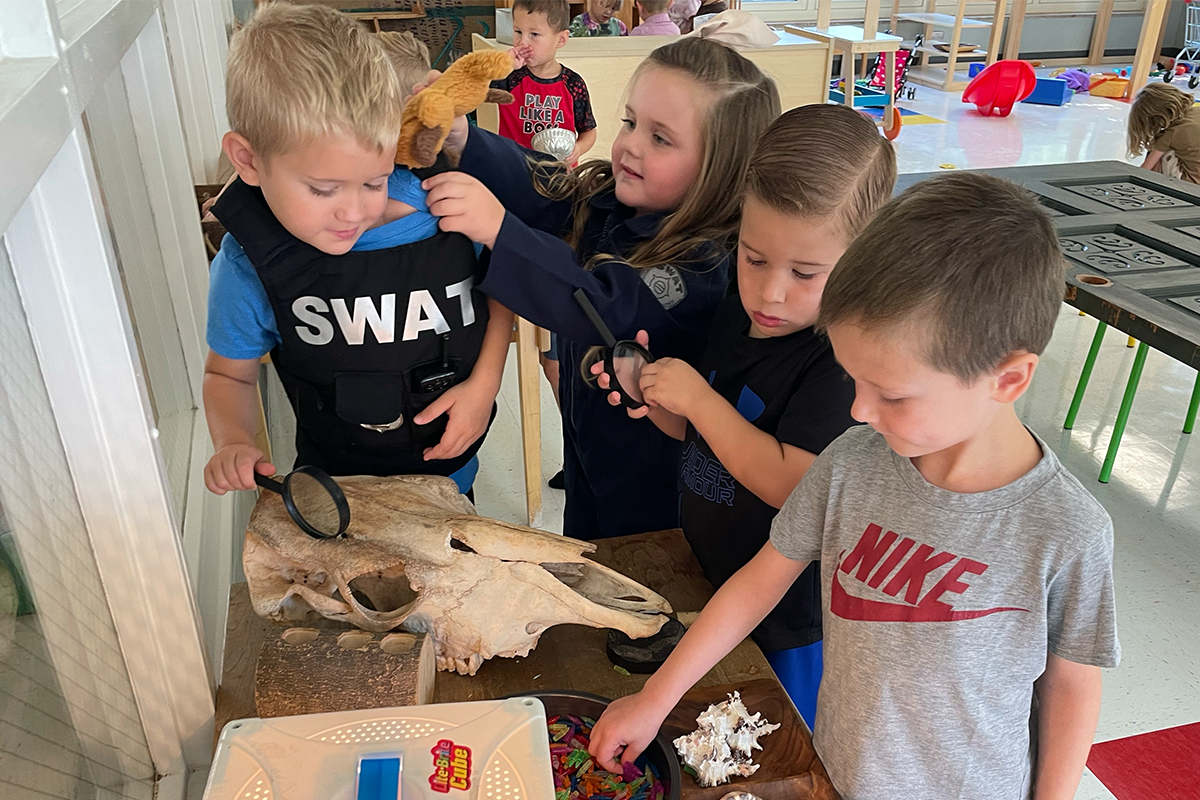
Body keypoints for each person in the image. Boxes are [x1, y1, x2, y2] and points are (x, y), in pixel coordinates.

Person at [590, 172, 1120, 799]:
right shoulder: (850, 464)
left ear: (1007, 380)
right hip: (838, 777)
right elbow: (756, 585)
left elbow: (1072, 681)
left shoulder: (1066, 531)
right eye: (853, 381)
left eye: (890, 394)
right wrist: (655, 699)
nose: (860, 411)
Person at [595, 105, 895, 727]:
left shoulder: (839, 360)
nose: (771, 293)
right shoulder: (742, 311)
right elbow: (705, 434)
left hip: (788, 622)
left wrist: (699, 402)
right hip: (710, 578)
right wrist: (656, 398)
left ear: (865, 262)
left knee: (777, 743)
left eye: (805, 273)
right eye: (754, 259)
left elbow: (795, 485)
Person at [419, 38, 781, 539]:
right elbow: (547, 189)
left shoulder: (703, 262)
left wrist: (500, 231)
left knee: (641, 588)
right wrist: (465, 139)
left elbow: (600, 302)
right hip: (589, 448)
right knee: (587, 557)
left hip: (657, 488)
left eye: (661, 139)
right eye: (631, 122)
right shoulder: (614, 200)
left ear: (718, 169)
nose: (630, 143)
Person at [203, 4, 513, 498]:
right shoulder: (247, 266)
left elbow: (502, 290)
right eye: (324, 190)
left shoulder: (449, 210)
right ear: (249, 159)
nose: (353, 212)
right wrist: (234, 441)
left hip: (451, 482)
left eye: (374, 180)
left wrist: (486, 384)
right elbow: (228, 374)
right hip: (334, 492)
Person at [492, 0, 597, 165]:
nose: (522, 42)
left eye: (534, 34)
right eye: (518, 31)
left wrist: (579, 148)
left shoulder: (573, 84)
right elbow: (474, 90)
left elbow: (588, 132)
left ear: (561, 39)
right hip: (514, 168)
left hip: (558, 175)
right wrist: (501, 66)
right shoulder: (508, 77)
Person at [1128, 82, 1200, 184]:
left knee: (1161, 151)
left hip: (1191, 185)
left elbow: (1145, 169)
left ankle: (1156, 183)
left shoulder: (1171, 133)